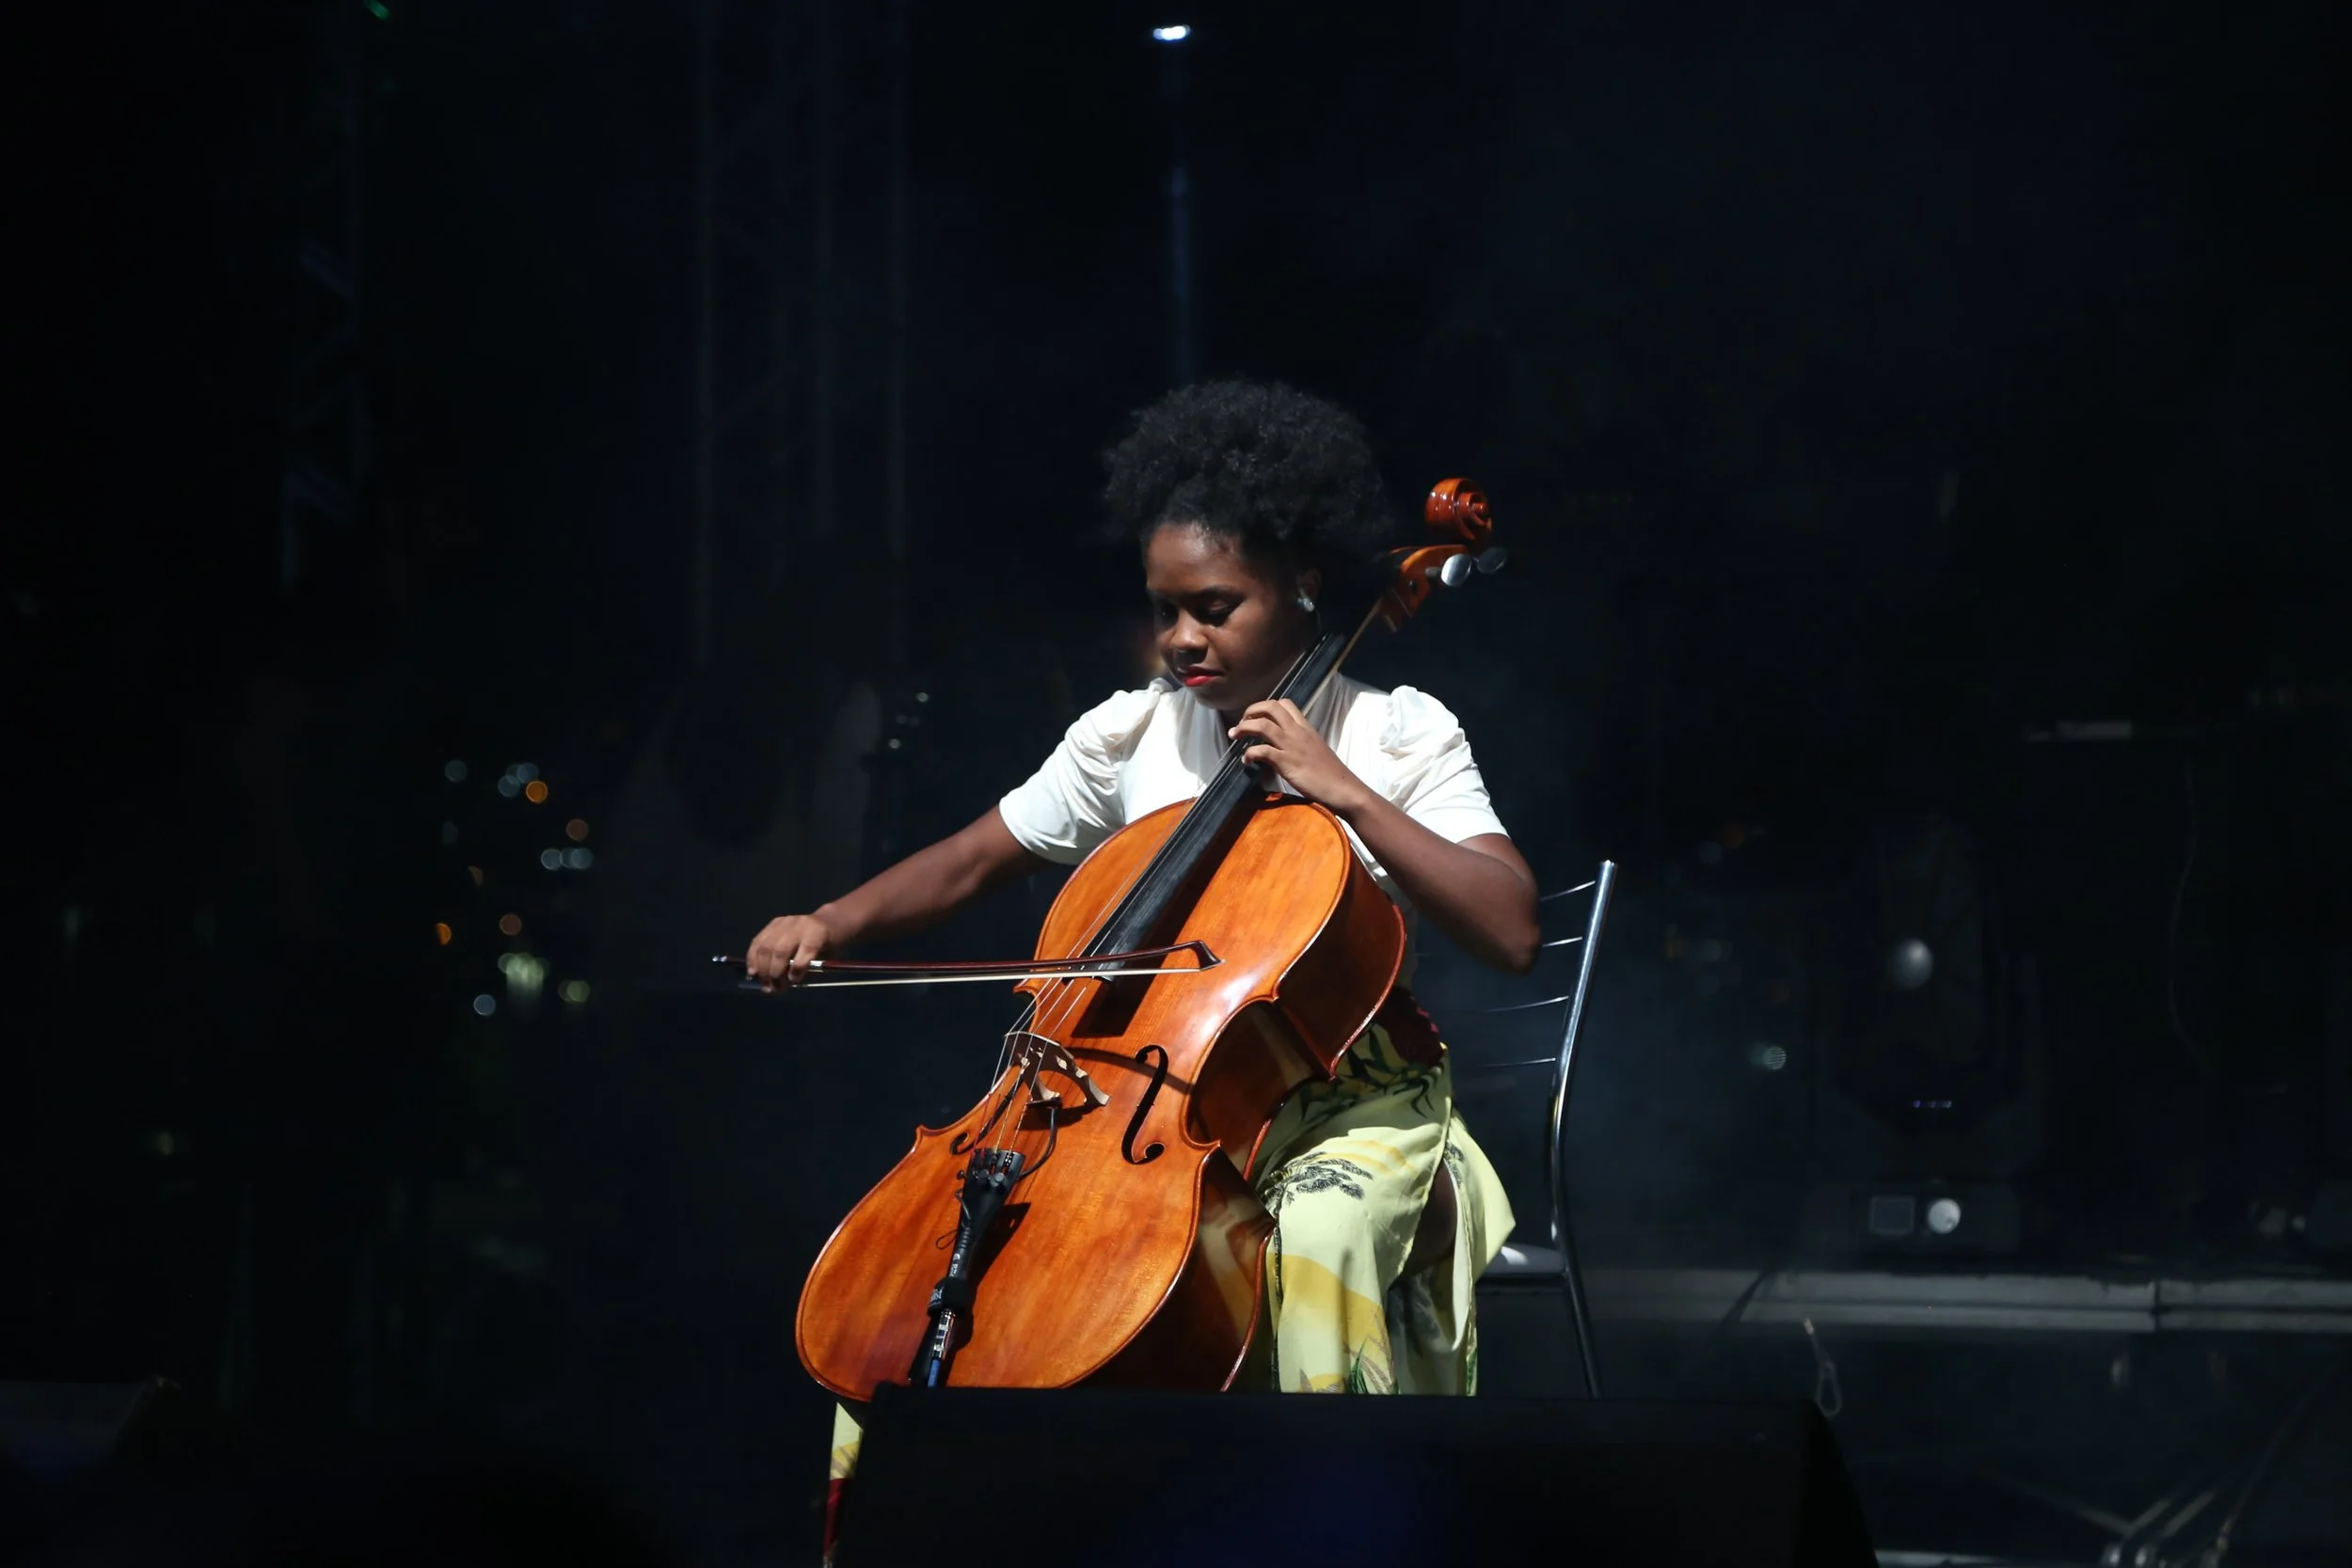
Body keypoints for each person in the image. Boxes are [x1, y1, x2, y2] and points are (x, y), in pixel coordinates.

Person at [742, 379, 1537, 1559]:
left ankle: (1340, 1530)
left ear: (1302, 587)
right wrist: (830, 916)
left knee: (1316, 1243)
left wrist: (1346, 791)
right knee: (923, 1286)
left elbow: (1510, 926)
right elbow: (972, 857)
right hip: (1125, 1099)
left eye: (1214, 608)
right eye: (1166, 610)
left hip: (1345, 1105)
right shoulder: (1128, 734)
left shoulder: (1395, 731)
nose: (1181, 641)